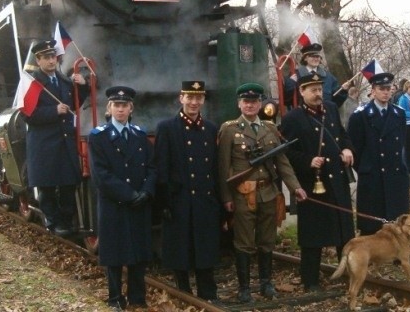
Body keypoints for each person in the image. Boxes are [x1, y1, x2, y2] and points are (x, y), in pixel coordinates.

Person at [218, 83, 308, 303]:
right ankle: (244, 288)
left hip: (268, 192)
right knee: (244, 242)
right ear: (239, 104)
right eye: (246, 102)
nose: (250, 105)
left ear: (260, 104)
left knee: (267, 241)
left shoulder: (269, 128)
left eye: (254, 101)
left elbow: (282, 162)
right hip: (243, 194)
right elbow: (223, 167)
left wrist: (295, 187)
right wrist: (227, 198)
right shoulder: (229, 129)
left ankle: (266, 284)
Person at [280, 73, 355, 291]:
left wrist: (348, 148)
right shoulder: (293, 118)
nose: (317, 93)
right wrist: (307, 161)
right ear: (301, 92)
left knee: (344, 231)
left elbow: (342, 134)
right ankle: (310, 280)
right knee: (313, 235)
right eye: (312, 89)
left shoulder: (330, 109)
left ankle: (348, 274)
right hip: (313, 184)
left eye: (320, 89)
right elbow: (286, 153)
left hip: (336, 180)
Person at [88, 86, 157, 309]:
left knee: (138, 254)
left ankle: (138, 298)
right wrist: (129, 195)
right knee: (114, 255)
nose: (120, 109)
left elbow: (152, 168)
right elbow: (101, 175)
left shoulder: (139, 135)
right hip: (114, 204)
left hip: (139, 203)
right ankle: (115, 298)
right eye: (116, 105)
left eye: (124, 105)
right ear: (109, 108)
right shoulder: (98, 137)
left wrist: (146, 191)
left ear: (131, 108)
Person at [154, 81, 221, 302]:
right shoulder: (167, 128)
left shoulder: (211, 128)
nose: (194, 102)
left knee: (205, 248)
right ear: (180, 98)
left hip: (205, 199)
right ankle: (184, 292)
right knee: (180, 249)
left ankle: (208, 293)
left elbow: (215, 167)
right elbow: (162, 167)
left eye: (198, 98)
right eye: (189, 97)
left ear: (203, 100)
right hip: (179, 199)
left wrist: (218, 200)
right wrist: (164, 203)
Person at [22, 39, 89, 237]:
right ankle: (53, 221)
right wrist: (54, 111)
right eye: (47, 58)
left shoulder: (63, 81)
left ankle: (67, 221)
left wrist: (83, 87)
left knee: (68, 183)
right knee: (47, 186)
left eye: (54, 57)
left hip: (65, 140)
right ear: (38, 60)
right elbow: (28, 114)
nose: (52, 61)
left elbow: (74, 105)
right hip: (44, 143)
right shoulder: (31, 83)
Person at [347, 72, 410, 235]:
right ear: (373, 90)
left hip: (394, 174)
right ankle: (371, 255)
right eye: (382, 88)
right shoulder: (360, 115)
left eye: (388, 88)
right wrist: (366, 168)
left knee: (398, 220)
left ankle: (400, 256)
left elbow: (401, 142)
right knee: (371, 223)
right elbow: (355, 149)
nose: (386, 92)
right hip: (372, 174)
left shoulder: (399, 114)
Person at [284, 43, 350, 108]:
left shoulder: (328, 77)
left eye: (318, 56)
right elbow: (287, 100)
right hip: (303, 116)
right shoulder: (295, 75)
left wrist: (342, 91)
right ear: (305, 58)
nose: (316, 59)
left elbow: (335, 103)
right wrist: (291, 83)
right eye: (312, 56)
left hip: (324, 115)